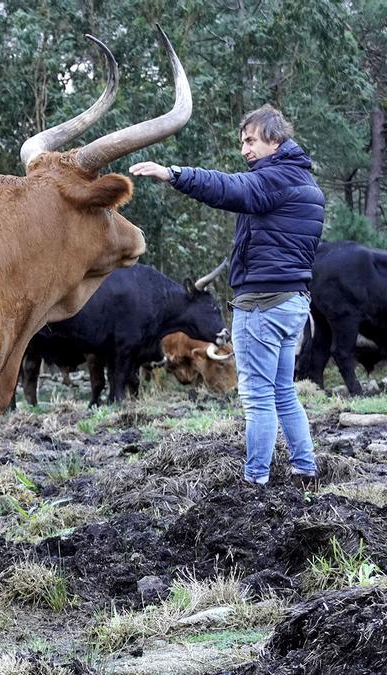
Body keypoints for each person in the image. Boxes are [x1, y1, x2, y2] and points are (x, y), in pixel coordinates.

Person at [129, 105, 324, 490]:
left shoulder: (273, 180)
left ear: (275, 140)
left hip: (262, 305)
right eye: (242, 142)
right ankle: (305, 469)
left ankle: (255, 482)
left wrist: (174, 175)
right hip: (294, 302)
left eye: (251, 141)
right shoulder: (307, 185)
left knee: (257, 397)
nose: (244, 150)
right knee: (284, 392)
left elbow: (227, 187)